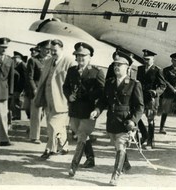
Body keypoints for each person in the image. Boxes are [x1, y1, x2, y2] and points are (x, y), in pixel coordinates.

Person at [90, 51, 144, 186]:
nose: (116, 67)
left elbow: (139, 107)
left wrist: (133, 120)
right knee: (116, 145)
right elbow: (103, 101)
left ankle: (115, 175)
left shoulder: (134, 84)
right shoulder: (109, 82)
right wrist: (96, 110)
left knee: (120, 147)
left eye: (119, 64)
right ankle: (125, 164)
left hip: (125, 122)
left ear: (127, 67)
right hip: (112, 121)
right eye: (115, 64)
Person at [63, 42, 105, 176]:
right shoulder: (72, 70)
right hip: (74, 109)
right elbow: (66, 87)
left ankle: (73, 167)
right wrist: (69, 96)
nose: (80, 59)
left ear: (90, 57)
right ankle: (91, 158)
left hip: (88, 110)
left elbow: (102, 91)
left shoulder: (96, 72)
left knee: (81, 136)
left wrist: (89, 96)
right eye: (78, 56)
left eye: (83, 56)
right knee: (79, 133)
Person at [35, 39, 75, 159]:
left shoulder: (69, 62)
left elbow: (74, 82)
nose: (52, 53)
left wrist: (71, 97)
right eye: (50, 50)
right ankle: (60, 147)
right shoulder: (48, 61)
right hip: (48, 100)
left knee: (53, 125)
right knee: (54, 126)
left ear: (61, 49)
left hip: (62, 100)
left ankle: (51, 148)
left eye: (55, 50)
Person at [136, 49, 166, 148]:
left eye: (148, 59)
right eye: (144, 59)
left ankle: (150, 142)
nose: (146, 61)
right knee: (136, 117)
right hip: (140, 97)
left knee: (150, 120)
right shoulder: (140, 69)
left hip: (151, 100)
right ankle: (144, 135)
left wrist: (156, 92)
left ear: (153, 59)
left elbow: (162, 86)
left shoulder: (157, 70)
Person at [27, 40, 52, 144]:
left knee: (49, 114)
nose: (48, 51)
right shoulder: (33, 60)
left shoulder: (51, 60)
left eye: (49, 49)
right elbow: (30, 77)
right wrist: (34, 89)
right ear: (40, 48)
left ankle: (50, 136)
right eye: (46, 49)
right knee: (36, 114)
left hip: (48, 90)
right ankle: (34, 137)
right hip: (37, 90)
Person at [159, 53, 176, 135]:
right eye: (175, 61)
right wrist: (173, 89)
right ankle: (162, 127)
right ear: (172, 60)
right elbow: (165, 81)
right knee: (165, 111)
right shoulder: (166, 70)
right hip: (168, 94)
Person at [9, 51, 28, 121]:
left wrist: (23, 89)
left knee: (16, 101)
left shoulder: (22, 65)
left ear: (19, 58)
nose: (14, 59)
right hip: (17, 87)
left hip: (20, 87)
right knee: (15, 101)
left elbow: (25, 78)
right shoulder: (18, 65)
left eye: (15, 58)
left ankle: (17, 116)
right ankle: (16, 115)